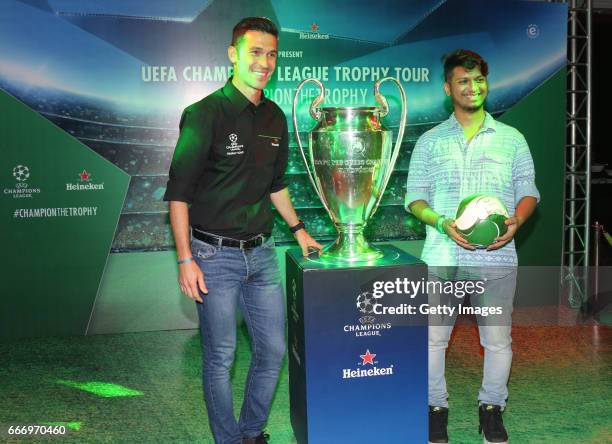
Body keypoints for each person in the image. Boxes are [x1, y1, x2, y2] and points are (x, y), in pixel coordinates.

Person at [163, 17, 322, 444]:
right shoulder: (203, 114)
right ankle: (228, 440)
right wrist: (185, 259)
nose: (264, 62)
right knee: (220, 357)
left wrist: (299, 229)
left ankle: (252, 433)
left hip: (263, 254)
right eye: (255, 52)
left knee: (271, 352)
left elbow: (275, 185)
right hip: (213, 257)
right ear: (233, 54)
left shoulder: (275, 117)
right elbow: (178, 194)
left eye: (271, 54)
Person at [405, 49, 539, 444]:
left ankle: (492, 409)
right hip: (442, 258)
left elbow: (529, 192)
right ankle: (435, 408)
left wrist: (517, 220)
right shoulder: (430, 141)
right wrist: (441, 222)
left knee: (497, 340)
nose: (473, 87)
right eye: (464, 80)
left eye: (479, 79)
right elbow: (414, 199)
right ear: (448, 88)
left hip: (496, 259)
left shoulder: (512, 139)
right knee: (433, 340)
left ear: (486, 83)